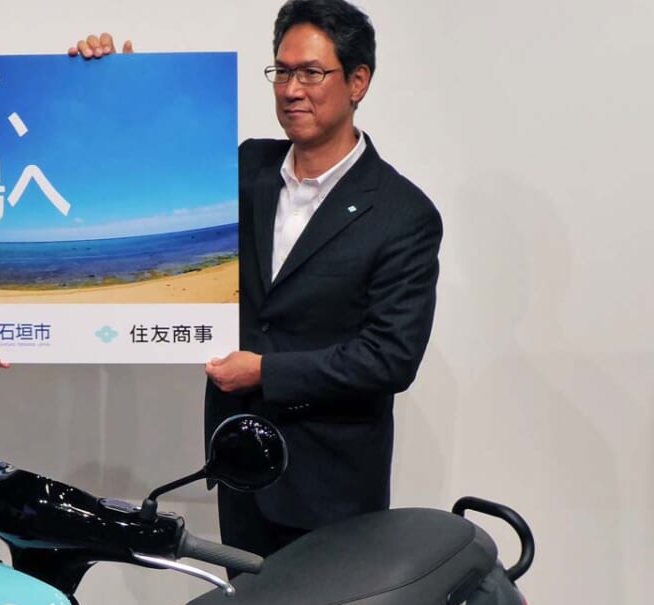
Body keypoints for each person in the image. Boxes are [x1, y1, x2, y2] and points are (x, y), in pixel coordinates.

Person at [71, 0, 442, 560]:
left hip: (332, 492)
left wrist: (265, 371)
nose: (292, 90)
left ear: (358, 81)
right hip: (241, 472)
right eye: (282, 71)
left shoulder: (402, 213)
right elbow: (148, 171)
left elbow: (390, 358)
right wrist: (113, 85)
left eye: (311, 73)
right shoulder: (246, 170)